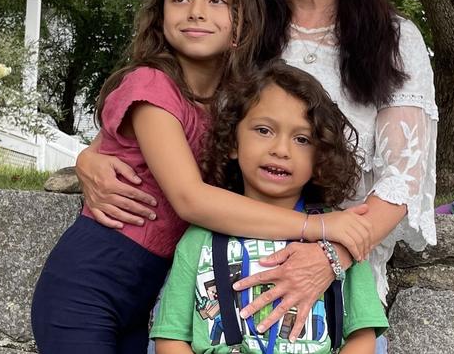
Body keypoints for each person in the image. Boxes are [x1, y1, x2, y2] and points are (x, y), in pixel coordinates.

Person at [77, 0, 437, 346]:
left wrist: (330, 257)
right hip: (214, 288)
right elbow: (163, 108)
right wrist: (89, 157)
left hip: (335, 302)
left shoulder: (394, 41)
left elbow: (401, 182)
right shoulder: (235, 30)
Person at [32, 0, 374, 354]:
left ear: (242, 22)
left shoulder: (235, 104)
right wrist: (318, 228)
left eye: (217, 1)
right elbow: (190, 199)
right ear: (161, 15)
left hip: (145, 295)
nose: (196, 11)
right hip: (90, 284)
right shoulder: (152, 85)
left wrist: (88, 155)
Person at [151, 60, 388, 354]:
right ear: (233, 142)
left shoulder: (341, 234)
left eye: (302, 139)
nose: (280, 149)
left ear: (320, 158)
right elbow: (170, 338)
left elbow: (363, 336)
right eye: (264, 130)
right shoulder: (199, 239)